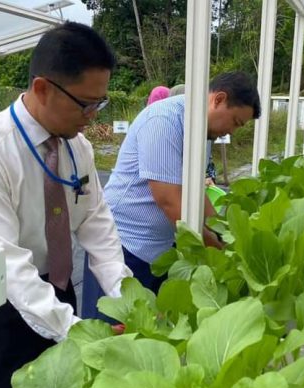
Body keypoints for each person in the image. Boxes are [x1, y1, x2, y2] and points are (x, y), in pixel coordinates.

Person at [0, 22, 131, 388]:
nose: (92, 115)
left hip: (58, 293)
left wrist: (127, 297)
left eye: (100, 103)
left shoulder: (77, 148)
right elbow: (9, 266)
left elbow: (97, 224)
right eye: (85, 103)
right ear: (42, 88)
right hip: (5, 309)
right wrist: (77, 332)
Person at [82, 72, 260, 320]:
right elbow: (169, 200)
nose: (231, 131)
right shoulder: (164, 120)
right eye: (236, 122)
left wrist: (225, 234)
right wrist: (217, 250)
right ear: (218, 99)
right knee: (113, 330)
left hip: (159, 250)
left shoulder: (201, 131)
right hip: (123, 246)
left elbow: (195, 191)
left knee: (149, 332)